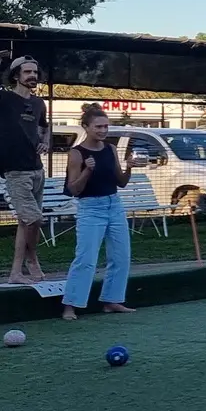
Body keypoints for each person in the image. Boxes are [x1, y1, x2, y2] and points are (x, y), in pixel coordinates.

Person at [60, 104, 135, 319]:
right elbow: (74, 189)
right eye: (98, 127)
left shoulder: (110, 149)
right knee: (86, 258)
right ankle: (71, 305)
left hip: (114, 205)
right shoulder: (77, 153)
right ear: (86, 127)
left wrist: (129, 167)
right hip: (90, 208)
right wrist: (87, 170)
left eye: (106, 126)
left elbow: (120, 182)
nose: (103, 131)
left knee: (121, 257)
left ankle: (112, 301)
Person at [4, 56, 48, 284]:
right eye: (27, 72)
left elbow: (44, 128)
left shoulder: (40, 103)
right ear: (16, 76)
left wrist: (46, 142)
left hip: (37, 170)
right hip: (15, 170)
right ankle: (31, 261)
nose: (32, 76)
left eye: (35, 72)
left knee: (26, 222)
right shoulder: (4, 99)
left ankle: (16, 273)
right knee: (33, 220)